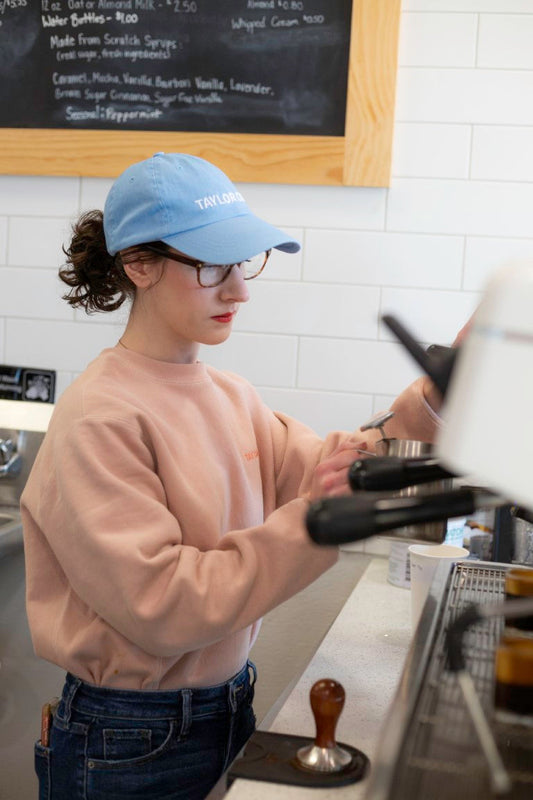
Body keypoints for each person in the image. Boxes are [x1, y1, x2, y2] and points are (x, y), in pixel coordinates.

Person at [21, 152, 443, 800]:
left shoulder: (229, 394)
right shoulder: (100, 418)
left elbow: (319, 466)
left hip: (225, 707)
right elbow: (163, 606)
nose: (239, 290)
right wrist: (314, 519)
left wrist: (410, 418)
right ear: (139, 263)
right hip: (128, 739)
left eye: (242, 263)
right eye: (211, 265)